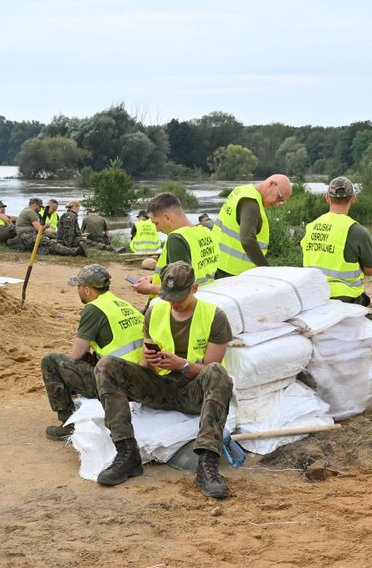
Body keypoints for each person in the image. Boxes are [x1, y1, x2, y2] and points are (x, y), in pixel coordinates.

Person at [94, 261, 234, 498]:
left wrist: (182, 365)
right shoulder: (155, 310)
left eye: (179, 296)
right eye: (169, 296)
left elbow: (211, 370)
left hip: (193, 391)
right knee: (106, 365)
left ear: (195, 289)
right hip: (160, 387)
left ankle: (207, 462)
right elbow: (145, 369)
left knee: (219, 374)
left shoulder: (214, 316)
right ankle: (127, 453)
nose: (174, 303)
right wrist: (150, 361)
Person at [40, 264, 144, 440]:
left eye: (79, 287)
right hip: (140, 379)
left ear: (87, 289)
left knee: (51, 361)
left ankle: (68, 422)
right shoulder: (122, 304)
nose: (78, 291)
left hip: (116, 384)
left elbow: (76, 355)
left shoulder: (94, 308)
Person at [301, 177, 372, 325]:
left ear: (327, 198)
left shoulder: (311, 227)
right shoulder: (358, 231)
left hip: (314, 295)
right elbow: (370, 271)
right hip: (347, 298)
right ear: (353, 199)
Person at [131, 192, 218, 301]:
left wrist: (150, 288)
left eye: (156, 223)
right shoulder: (207, 232)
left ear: (167, 217)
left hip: (178, 307)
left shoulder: (177, 238)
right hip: (204, 298)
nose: (157, 230)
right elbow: (199, 271)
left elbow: (179, 288)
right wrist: (155, 279)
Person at [212, 174, 292, 278]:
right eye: (279, 198)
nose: (277, 204)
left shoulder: (242, 190)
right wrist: (266, 270)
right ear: (271, 184)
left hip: (217, 263)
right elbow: (247, 240)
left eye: (281, 202)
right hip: (232, 272)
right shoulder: (251, 204)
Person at [9, 197, 84, 256]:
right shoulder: (30, 212)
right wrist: (46, 226)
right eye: (40, 207)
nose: (41, 209)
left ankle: (44, 250)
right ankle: (72, 252)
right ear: (35, 205)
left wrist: (53, 232)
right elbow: (39, 229)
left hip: (26, 235)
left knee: (48, 242)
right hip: (28, 236)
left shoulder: (26, 210)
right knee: (50, 243)